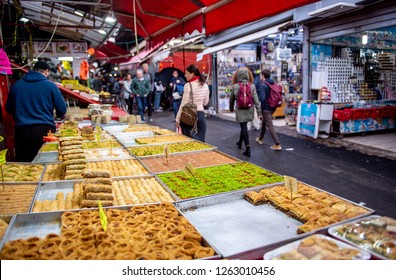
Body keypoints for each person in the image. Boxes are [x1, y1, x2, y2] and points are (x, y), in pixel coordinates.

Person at [6, 60, 67, 162]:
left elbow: (8, 109)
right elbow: (62, 109)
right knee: (45, 163)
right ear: (46, 71)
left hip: (22, 131)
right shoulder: (51, 86)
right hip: (44, 131)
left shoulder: (16, 86)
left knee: (24, 166)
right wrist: (59, 115)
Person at [229, 67, 262, 157]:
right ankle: (240, 142)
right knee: (243, 125)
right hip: (249, 109)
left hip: (240, 109)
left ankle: (248, 148)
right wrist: (259, 112)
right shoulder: (252, 86)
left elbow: (231, 99)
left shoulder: (236, 86)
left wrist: (231, 108)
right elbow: (256, 99)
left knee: (243, 126)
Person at [176, 64, 209, 142]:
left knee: (189, 142)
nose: (185, 75)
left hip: (189, 117)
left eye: (187, 73)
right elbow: (205, 102)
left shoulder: (188, 85)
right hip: (201, 116)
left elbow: (183, 104)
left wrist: (177, 119)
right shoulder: (205, 85)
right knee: (201, 142)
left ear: (192, 74)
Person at [256, 69, 282, 151]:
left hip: (266, 107)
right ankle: (260, 138)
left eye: (260, 75)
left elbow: (262, 98)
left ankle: (277, 144)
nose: (260, 77)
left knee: (269, 124)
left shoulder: (263, 85)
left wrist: (260, 108)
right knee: (265, 122)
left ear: (263, 76)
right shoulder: (272, 83)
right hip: (273, 106)